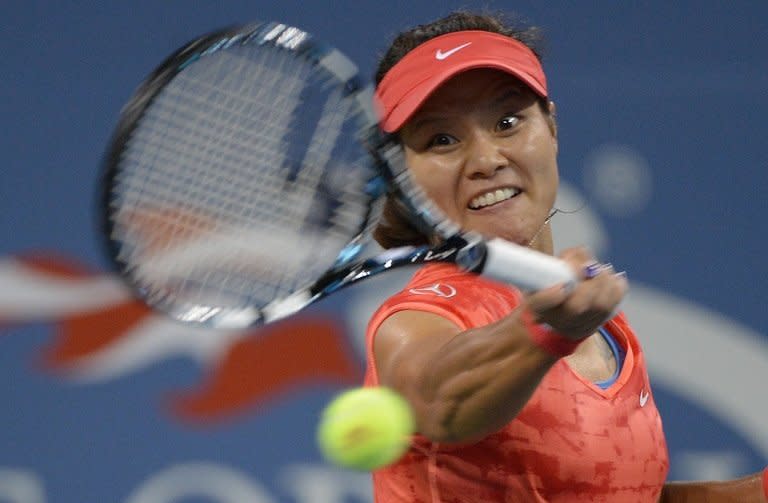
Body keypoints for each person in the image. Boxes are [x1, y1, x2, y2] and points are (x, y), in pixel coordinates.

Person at [363, 10, 768, 502]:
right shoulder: (417, 320)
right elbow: (439, 400)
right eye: (441, 140)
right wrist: (542, 330)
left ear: (551, 127)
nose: (487, 159)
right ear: (400, 178)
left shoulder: (604, 329)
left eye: (508, 122)